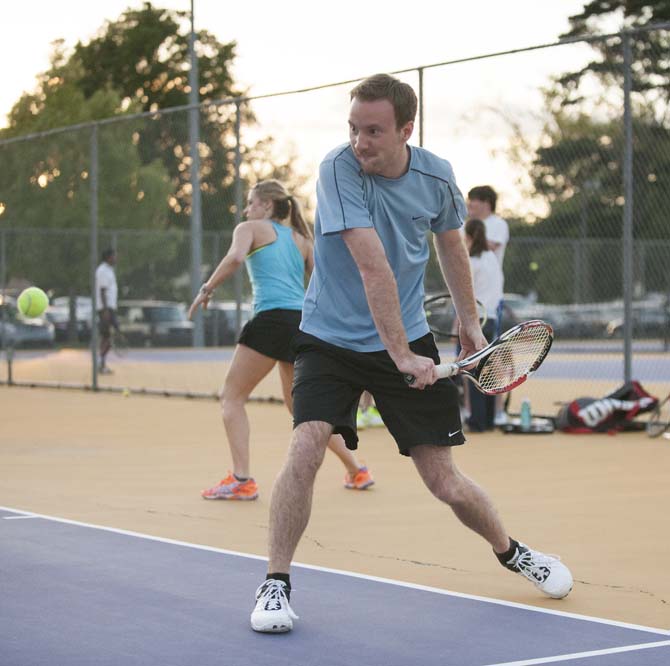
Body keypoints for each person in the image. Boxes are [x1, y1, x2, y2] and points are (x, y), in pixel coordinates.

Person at [250, 74, 572, 634]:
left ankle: (511, 551)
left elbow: (451, 245)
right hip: (328, 338)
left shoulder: (436, 175)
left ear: (405, 130)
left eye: (373, 131)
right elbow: (371, 264)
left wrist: (470, 325)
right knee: (306, 446)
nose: (360, 141)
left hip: (408, 335)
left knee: (444, 481)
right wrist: (399, 357)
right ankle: (275, 584)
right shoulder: (337, 169)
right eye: (353, 128)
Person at [188, 179, 374, 501]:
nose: (247, 209)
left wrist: (207, 289)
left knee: (231, 397)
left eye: (251, 202)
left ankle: (242, 479)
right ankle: (357, 470)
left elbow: (234, 258)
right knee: (301, 409)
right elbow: (323, 282)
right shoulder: (302, 239)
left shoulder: (249, 228)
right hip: (300, 323)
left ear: (267, 206)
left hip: (271, 320)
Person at [467, 185, 510, 425]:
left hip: (491, 302)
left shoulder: (497, 225)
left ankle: (498, 411)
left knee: (493, 358)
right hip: (475, 298)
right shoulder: (468, 225)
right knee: (469, 360)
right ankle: (470, 410)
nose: (469, 206)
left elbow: (487, 246)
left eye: (473, 201)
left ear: (485, 202)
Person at [461, 218, 503, 431]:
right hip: (491, 317)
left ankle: (477, 421)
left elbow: (464, 294)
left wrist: (458, 324)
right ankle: (489, 419)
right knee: (488, 370)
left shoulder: (471, 261)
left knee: (472, 371)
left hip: (474, 319)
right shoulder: (491, 259)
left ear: (467, 237)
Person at [95, 248, 119, 374]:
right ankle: (100, 363)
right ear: (108, 257)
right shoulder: (103, 271)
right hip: (106, 309)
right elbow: (102, 291)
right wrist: (105, 311)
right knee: (108, 337)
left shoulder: (109, 270)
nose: (116, 258)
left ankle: (101, 363)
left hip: (109, 308)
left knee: (108, 337)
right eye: (114, 256)